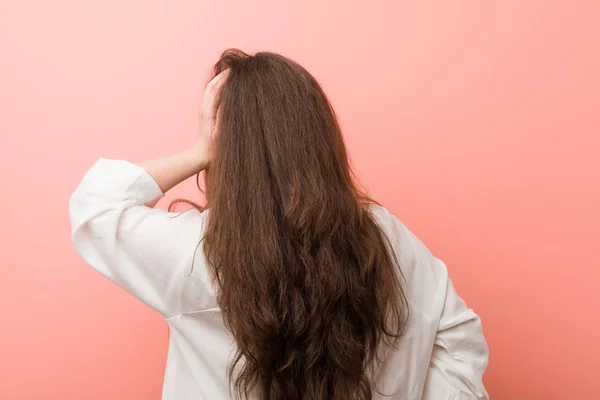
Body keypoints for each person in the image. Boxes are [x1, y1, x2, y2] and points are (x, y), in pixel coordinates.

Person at [69, 49, 489, 400]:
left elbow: (96, 205)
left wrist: (200, 150)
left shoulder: (193, 251)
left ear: (226, 149)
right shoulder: (382, 234)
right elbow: (458, 338)